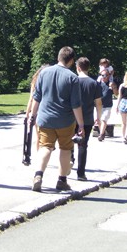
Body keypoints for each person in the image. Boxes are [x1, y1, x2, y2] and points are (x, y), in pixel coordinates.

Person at [29, 46, 84, 192]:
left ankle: (38, 175)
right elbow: (76, 104)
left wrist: (32, 116)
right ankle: (62, 181)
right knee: (65, 149)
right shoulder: (72, 77)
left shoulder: (44, 73)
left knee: (45, 147)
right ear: (71, 60)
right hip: (65, 120)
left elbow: (36, 97)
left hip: (45, 119)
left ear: (59, 57)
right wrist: (81, 125)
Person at [74, 57, 102, 181]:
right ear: (88, 68)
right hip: (87, 118)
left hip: (72, 117)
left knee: (67, 143)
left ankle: (69, 161)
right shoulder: (94, 83)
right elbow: (99, 103)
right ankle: (81, 173)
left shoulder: (73, 81)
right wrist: (98, 118)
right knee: (83, 145)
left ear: (78, 68)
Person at [97, 69, 114, 141]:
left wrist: (113, 87)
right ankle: (102, 132)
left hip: (108, 105)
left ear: (109, 75)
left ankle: (101, 134)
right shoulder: (98, 84)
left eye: (105, 75)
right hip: (99, 105)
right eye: (102, 75)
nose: (104, 76)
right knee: (98, 121)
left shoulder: (111, 83)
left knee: (104, 119)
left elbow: (117, 94)